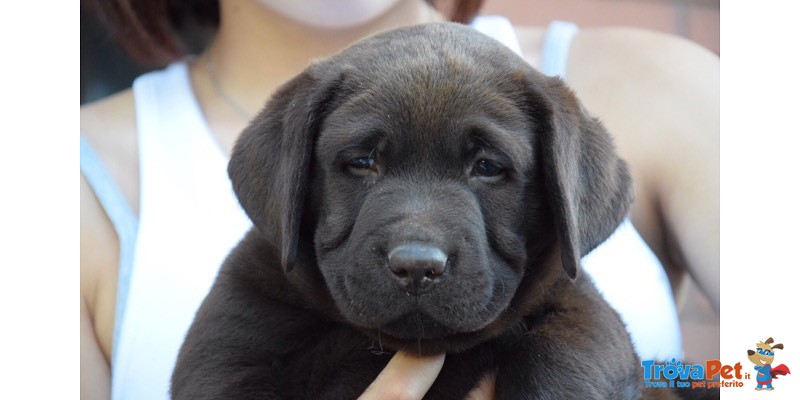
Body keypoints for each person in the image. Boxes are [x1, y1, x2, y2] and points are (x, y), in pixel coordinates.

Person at [80, 0, 719, 399]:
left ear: (561, 199)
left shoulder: (661, 87)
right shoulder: (71, 179)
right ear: (290, 183)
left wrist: (663, 381)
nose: (420, 245)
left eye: (489, 167)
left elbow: (779, 370)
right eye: (361, 162)